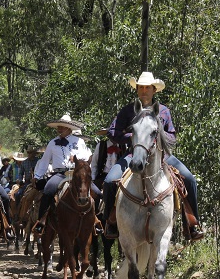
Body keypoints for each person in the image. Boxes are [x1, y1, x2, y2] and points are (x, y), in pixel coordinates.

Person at [102, 71, 204, 241]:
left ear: (154, 90)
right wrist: (134, 137)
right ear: (137, 89)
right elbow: (112, 132)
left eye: (147, 87)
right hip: (133, 155)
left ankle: (193, 223)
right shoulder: (128, 110)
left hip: (162, 156)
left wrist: (158, 136)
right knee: (109, 181)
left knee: (190, 179)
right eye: (141, 87)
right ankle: (109, 221)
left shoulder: (163, 111)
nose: (144, 90)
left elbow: (172, 136)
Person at [32, 114, 92, 234]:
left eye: (62, 127)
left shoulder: (79, 141)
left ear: (69, 128)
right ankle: (41, 222)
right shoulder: (52, 143)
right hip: (59, 174)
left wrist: (76, 158)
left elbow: (86, 157)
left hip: (77, 174)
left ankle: (94, 221)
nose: (59, 129)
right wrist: (37, 176)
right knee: (48, 190)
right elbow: (44, 161)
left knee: (96, 192)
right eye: (58, 127)